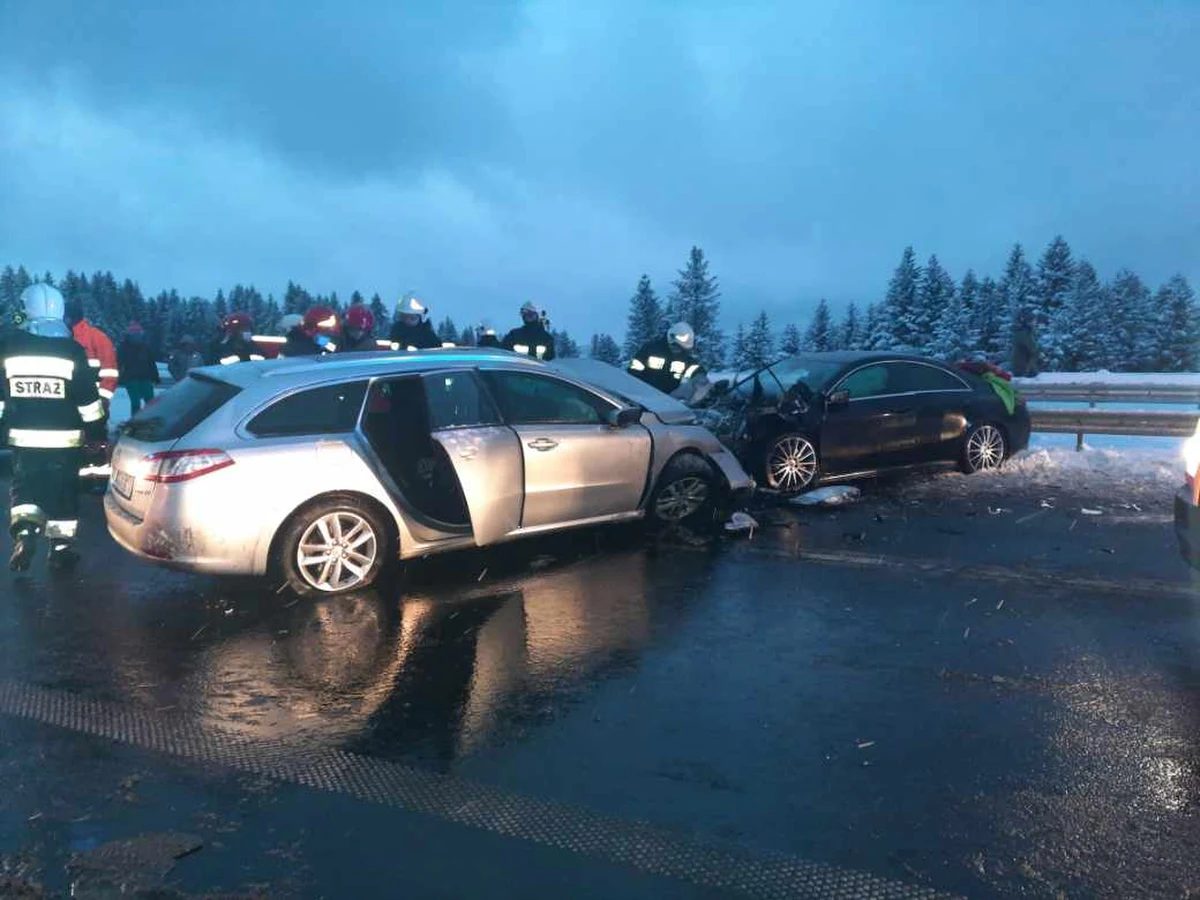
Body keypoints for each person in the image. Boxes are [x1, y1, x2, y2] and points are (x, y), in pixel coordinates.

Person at [1, 283, 106, 572]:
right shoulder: (71, 350)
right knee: (63, 492)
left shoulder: (8, 345)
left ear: (26, 309)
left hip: (24, 439)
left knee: (25, 487)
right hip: (65, 440)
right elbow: (88, 400)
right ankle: (60, 550)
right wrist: (98, 433)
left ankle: (25, 532)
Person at [628, 321, 709, 401]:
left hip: (671, 401)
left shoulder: (686, 359)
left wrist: (700, 379)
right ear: (670, 340)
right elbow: (633, 371)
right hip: (645, 397)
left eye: (682, 349)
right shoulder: (650, 350)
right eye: (677, 346)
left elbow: (697, 371)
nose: (678, 350)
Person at [65, 299, 118, 404]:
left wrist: (103, 398)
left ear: (70, 318)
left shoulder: (97, 337)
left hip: (92, 398)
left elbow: (110, 371)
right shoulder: (61, 336)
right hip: (66, 401)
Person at [117, 321, 160, 416]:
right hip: (131, 378)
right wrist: (119, 377)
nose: (137, 336)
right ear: (129, 335)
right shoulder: (124, 347)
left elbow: (151, 363)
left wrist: (155, 376)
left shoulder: (145, 347)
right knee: (136, 402)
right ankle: (135, 422)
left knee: (150, 401)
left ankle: (150, 419)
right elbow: (118, 363)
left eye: (138, 334)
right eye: (134, 334)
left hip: (145, 377)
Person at [1010, 310, 1040, 378]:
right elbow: (1032, 350)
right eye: (1034, 320)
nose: (1035, 322)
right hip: (1023, 369)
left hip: (1026, 368)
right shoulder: (1023, 333)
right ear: (1028, 322)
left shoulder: (1026, 332)